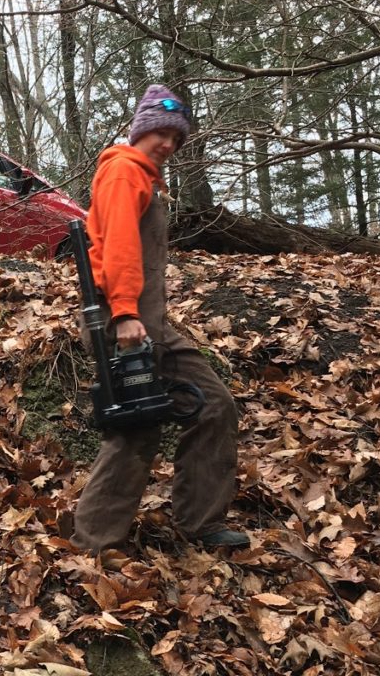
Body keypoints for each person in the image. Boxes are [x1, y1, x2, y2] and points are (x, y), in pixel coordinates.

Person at [70, 85, 249, 553]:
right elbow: (120, 250)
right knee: (138, 425)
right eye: (159, 132)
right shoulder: (125, 173)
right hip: (125, 324)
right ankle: (95, 544)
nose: (167, 143)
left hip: (148, 325)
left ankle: (199, 523)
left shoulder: (144, 176)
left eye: (175, 136)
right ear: (139, 130)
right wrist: (126, 314)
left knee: (209, 407)